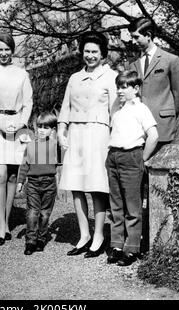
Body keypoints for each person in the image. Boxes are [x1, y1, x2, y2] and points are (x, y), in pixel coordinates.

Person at [57, 31, 118, 258]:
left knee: (96, 186)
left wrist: (115, 138)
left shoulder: (110, 77)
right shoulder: (74, 78)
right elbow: (65, 108)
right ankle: (84, 235)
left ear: (102, 54)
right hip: (76, 134)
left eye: (95, 52)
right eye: (87, 51)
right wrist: (61, 130)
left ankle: (99, 235)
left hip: (98, 134)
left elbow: (115, 111)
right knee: (76, 184)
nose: (90, 56)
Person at [106, 70, 158, 266]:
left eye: (124, 86)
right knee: (116, 204)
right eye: (118, 86)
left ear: (136, 89)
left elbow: (153, 136)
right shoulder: (117, 109)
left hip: (132, 157)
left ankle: (132, 248)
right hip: (113, 157)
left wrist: (142, 159)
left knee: (132, 206)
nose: (119, 90)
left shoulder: (141, 108)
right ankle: (117, 245)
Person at [0, 33, 33, 246]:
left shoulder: (22, 74)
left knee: (13, 176)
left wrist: (21, 122)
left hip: (18, 125)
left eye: (7, 49)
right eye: (0, 49)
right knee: (0, 172)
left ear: (12, 50)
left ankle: (5, 222)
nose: (3, 53)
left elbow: (28, 102)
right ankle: (0, 225)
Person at [128, 17, 179, 150]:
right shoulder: (132, 65)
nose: (133, 41)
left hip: (163, 128)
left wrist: (168, 115)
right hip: (138, 130)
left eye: (136, 37)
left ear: (148, 35)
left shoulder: (171, 60)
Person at [16, 112, 59, 255]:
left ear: (52, 130)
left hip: (49, 183)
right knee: (32, 213)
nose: (41, 130)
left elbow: (61, 161)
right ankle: (30, 241)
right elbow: (24, 165)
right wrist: (20, 182)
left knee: (45, 213)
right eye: (39, 127)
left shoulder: (55, 145)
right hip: (33, 183)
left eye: (46, 127)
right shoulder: (31, 146)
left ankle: (41, 238)